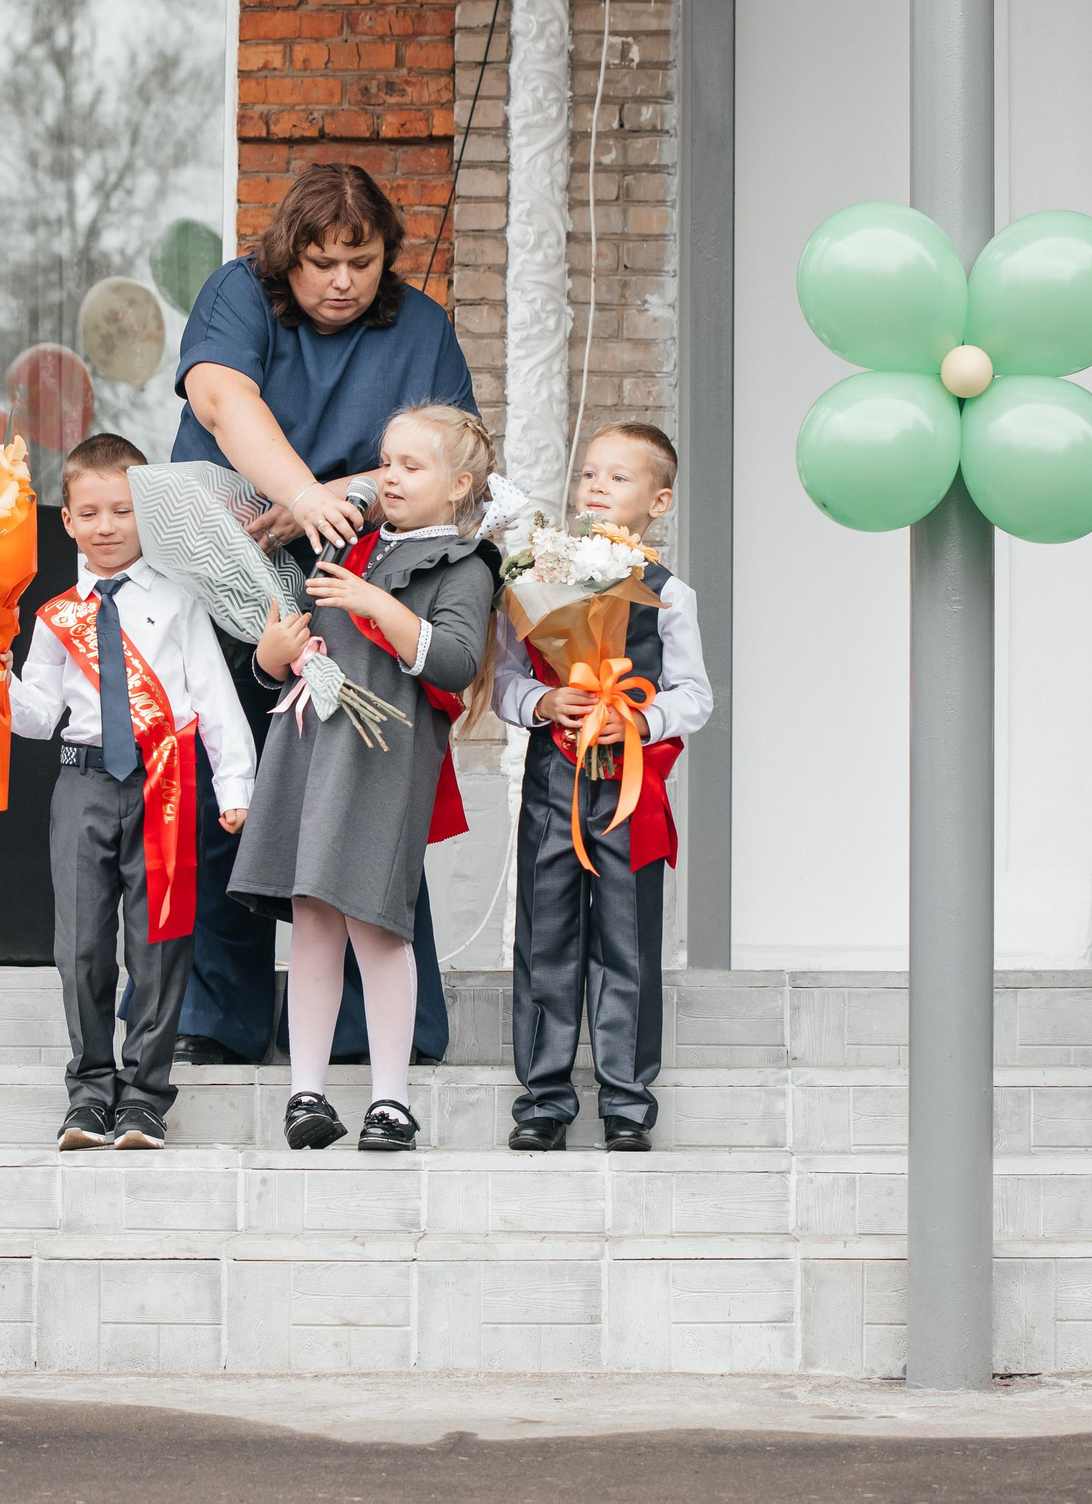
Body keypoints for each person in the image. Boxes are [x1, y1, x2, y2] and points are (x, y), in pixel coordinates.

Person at [172, 162, 479, 1067]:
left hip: (365, 576)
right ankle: (217, 1019)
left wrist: (337, 495)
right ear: (285, 258)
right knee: (222, 787)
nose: (342, 280)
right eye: (320, 261)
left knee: (365, 791)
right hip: (230, 563)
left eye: (363, 259)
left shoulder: (421, 325)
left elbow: (452, 463)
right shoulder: (237, 291)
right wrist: (300, 494)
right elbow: (222, 401)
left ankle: (376, 1033)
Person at [0, 434, 255, 1151]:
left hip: (164, 783)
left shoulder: (180, 600)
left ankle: (146, 1098)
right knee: (82, 946)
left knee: (159, 941)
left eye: (122, 510)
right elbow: (37, 718)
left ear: (145, 514)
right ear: (65, 520)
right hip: (83, 782)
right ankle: (90, 1092)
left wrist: (235, 782)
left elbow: (214, 698)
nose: (106, 525)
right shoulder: (54, 613)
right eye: (90, 512)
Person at [234, 403, 500, 1151]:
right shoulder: (348, 546)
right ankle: (306, 1092)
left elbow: (454, 662)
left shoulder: (464, 564)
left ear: (459, 486)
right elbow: (279, 662)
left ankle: (391, 1099)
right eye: (386, 461)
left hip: (383, 754)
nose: (390, 476)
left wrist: (378, 604)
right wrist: (274, 652)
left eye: (411, 465)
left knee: (378, 920)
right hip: (309, 742)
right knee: (313, 916)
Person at [494, 423, 715, 1153]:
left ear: (660, 500)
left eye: (617, 478)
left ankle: (626, 1097)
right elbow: (503, 682)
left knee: (626, 936)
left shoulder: (669, 592)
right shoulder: (535, 576)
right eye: (589, 473)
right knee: (546, 930)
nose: (595, 486)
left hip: (626, 785)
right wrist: (541, 702)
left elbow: (696, 696)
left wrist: (641, 719)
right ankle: (545, 1097)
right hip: (555, 777)